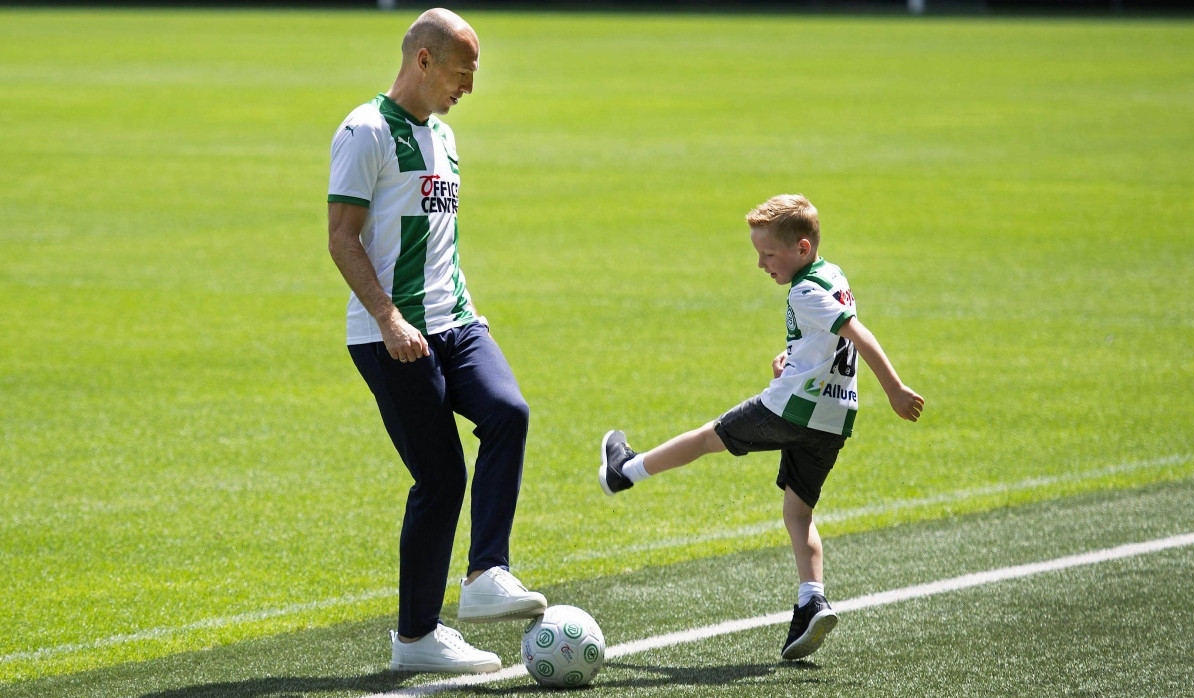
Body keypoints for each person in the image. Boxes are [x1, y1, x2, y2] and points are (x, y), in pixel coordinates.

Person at [598, 194, 924, 661]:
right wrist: (792, 358)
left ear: (802, 248)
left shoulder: (804, 290)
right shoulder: (832, 275)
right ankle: (812, 600)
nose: (760, 263)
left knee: (709, 437)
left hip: (794, 409)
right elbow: (827, 338)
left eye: (768, 254)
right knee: (798, 512)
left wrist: (894, 389)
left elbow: (857, 334)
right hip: (833, 420)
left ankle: (624, 472)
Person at [327, 8, 546, 675]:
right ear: (423, 60)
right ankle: (416, 639)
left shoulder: (446, 138)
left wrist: (467, 311)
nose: (469, 88)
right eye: (462, 72)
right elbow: (342, 238)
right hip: (392, 333)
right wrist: (391, 320)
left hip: (458, 322)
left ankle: (485, 575)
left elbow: (439, 244)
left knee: (508, 413)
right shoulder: (365, 131)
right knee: (442, 476)